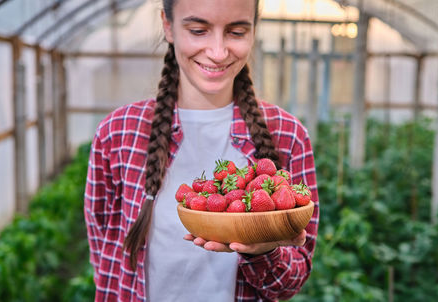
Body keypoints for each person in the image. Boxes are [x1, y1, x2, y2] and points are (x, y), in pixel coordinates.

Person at [84, 0, 319, 301]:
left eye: (235, 32)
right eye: (198, 30)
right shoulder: (118, 133)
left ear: (253, 32)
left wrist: (264, 251)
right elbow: (105, 258)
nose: (218, 52)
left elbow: (291, 282)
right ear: (168, 26)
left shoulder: (287, 135)